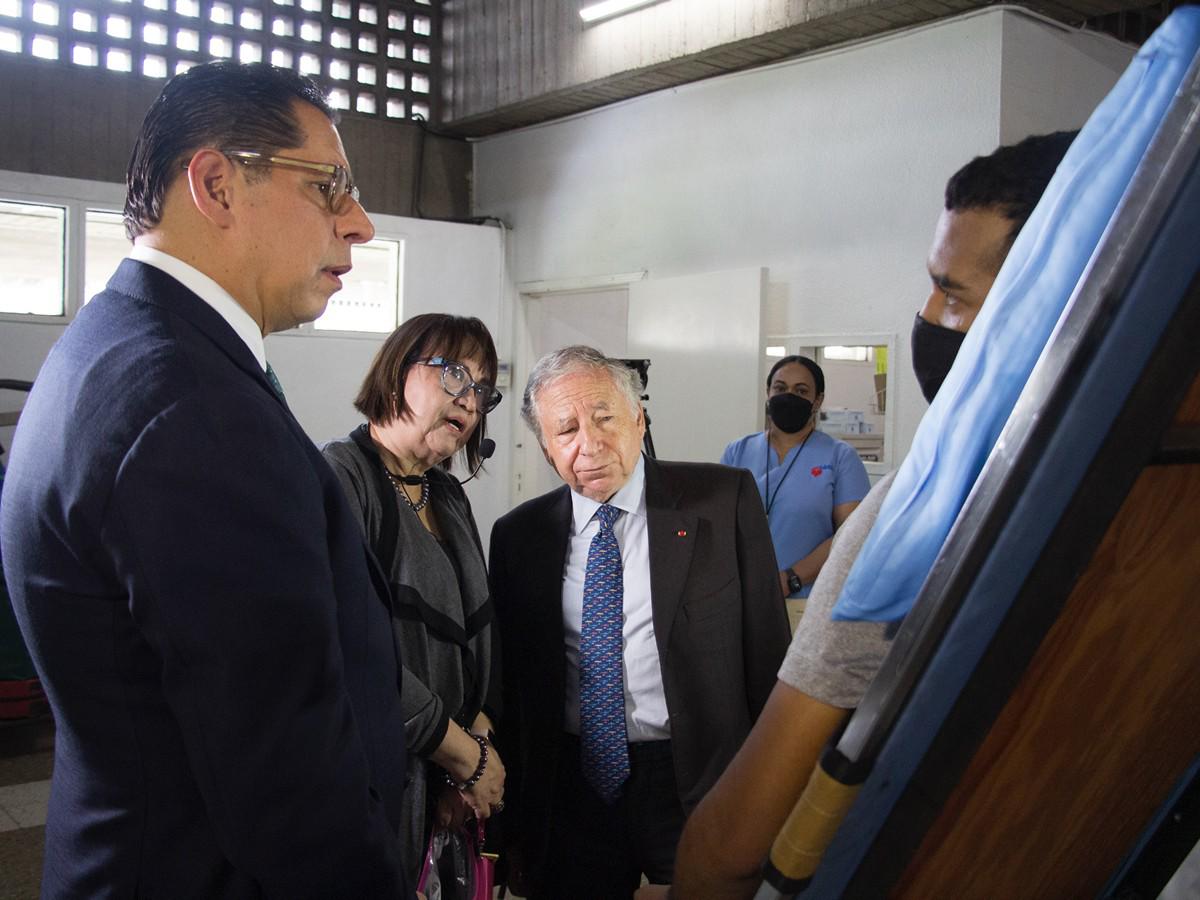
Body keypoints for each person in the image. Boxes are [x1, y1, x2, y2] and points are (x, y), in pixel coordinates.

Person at [0, 62, 416, 897]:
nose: (361, 224)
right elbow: (286, 784)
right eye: (330, 185)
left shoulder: (123, 347)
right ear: (218, 184)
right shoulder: (191, 407)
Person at [641, 130, 1077, 900]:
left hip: (807, 605)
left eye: (954, 293)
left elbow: (736, 842)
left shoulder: (906, 504)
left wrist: (798, 577)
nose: (929, 313)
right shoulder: (739, 449)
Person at [489, 345, 791, 900]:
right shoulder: (518, 538)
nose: (590, 443)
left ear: (638, 419)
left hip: (696, 774)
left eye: (605, 418)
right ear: (546, 447)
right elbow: (514, 688)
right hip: (574, 785)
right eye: (567, 429)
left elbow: (769, 655)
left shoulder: (722, 502)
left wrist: (776, 787)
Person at [322, 313, 506, 881]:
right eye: (454, 374)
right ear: (397, 369)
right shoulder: (340, 479)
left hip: (441, 779)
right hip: (376, 781)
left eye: (481, 388)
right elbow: (350, 652)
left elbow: (471, 640)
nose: (469, 401)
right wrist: (462, 756)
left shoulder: (446, 493)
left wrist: (464, 761)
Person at [721, 355, 871, 603]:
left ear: (817, 400)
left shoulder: (839, 457)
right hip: (743, 597)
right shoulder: (738, 451)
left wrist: (791, 579)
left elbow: (852, 535)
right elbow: (720, 525)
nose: (789, 396)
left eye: (801, 390)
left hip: (808, 599)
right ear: (768, 393)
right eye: (780, 388)